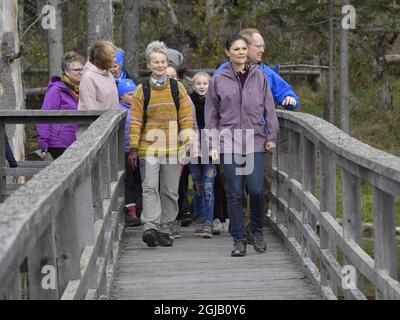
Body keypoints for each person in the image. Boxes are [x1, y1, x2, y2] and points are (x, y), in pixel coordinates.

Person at [214, 28, 300, 242]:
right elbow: (213, 108)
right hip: (231, 139)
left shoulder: (265, 74)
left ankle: (256, 225)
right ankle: (241, 228)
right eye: (257, 46)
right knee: (235, 187)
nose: (261, 50)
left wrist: (290, 100)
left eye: (262, 46)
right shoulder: (220, 75)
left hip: (258, 139)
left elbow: (283, 94)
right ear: (231, 50)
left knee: (259, 186)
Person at [205, 34, 279, 257]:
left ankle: (256, 230)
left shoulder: (260, 77)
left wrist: (271, 136)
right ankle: (238, 239)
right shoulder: (218, 80)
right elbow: (211, 115)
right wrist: (212, 144)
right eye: (236, 49)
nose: (240, 52)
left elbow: (270, 109)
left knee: (256, 191)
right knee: (235, 193)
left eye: (243, 49)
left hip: (255, 139)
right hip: (228, 142)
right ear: (227, 52)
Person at [129, 40, 193, 248]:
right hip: (149, 147)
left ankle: (165, 227)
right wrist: (133, 146)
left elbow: (185, 116)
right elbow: (136, 119)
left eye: (163, 61)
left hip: (173, 147)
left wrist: (188, 141)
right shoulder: (142, 89)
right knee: (149, 187)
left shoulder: (178, 88)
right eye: (155, 62)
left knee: (170, 190)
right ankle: (150, 227)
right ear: (148, 65)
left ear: (167, 64)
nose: (159, 65)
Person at [37, 51, 86, 159]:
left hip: (77, 142)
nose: (81, 72)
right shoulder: (56, 90)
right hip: (59, 144)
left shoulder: (81, 90)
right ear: (66, 72)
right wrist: (43, 143)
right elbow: (44, 115)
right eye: (77, 70)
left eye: (82, 69)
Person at [188, 72, 216, 239]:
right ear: (193, 85)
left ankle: (208, 221)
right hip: (192, 146)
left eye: (205, 83)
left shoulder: (214, 102)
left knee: (208, 186)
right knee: (198, 185)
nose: (202, 86)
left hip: (210, 146)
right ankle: (199, 218)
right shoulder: (188, 101)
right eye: (198, 83)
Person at [117, 78, 142, 228]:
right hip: (125, 151)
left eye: (135, 94)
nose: (133, 97)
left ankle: (141, 209)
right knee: (128, 182)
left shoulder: (139, 108)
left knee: (140, 180)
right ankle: (130, 211)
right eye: (130, 94)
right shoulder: (118, 110)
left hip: (139, 150)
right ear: (121, 96)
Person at [78, 41, 119, 112]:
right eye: (113, 57)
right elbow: (89, 110)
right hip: (97, 122)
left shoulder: (108, 73)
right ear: (103, 59)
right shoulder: (88, 78)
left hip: (111, 120)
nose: (115, 60)